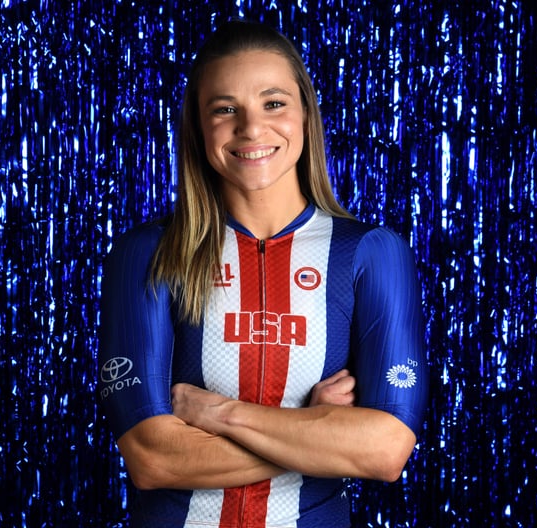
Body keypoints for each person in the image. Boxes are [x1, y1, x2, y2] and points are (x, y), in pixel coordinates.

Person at [98, 19, 428, 527]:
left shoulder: (371, 254)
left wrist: (217, 414)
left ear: (305, 116)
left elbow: (384, 452)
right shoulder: (147, 253)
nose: (251, 129)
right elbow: (152, 458)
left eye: (273, 103)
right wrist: (316, 433)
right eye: (225, 109)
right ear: (198, 127)